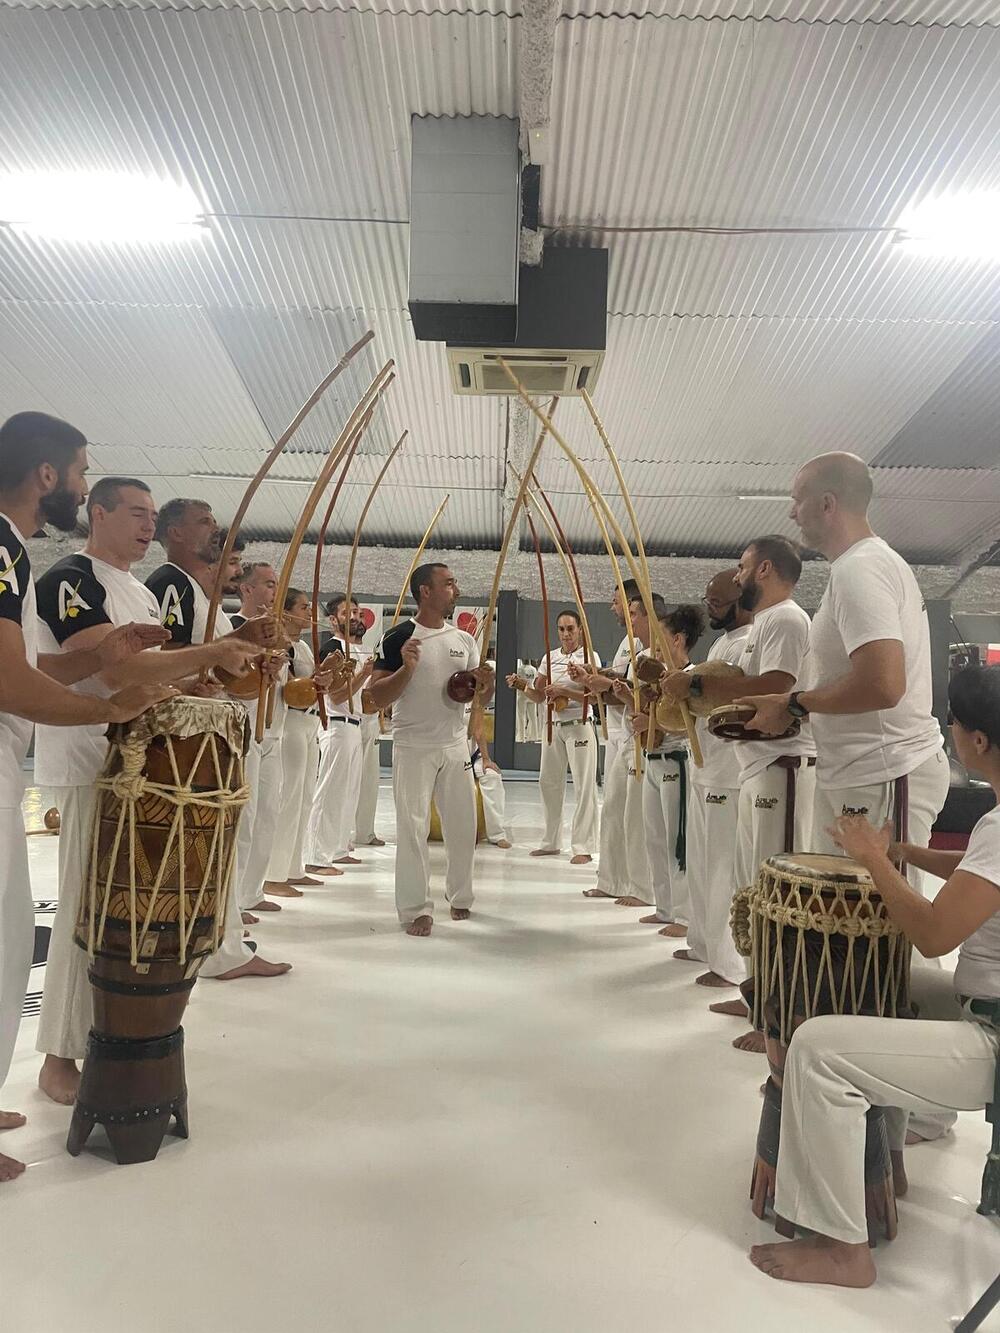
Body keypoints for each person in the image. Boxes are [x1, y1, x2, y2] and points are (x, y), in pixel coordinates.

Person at [749, 665, 1000, 1290]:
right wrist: (908, 854)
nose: (948, 729)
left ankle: (843, 1249)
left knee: (815, 1048)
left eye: (955, 724)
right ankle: (887, 1168)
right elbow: (978, 870)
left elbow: (936, 934)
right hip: (987, 1009)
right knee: (887, 989)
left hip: (992, 1040)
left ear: (976, 742)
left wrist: (869, 860)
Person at [743, 453, 952, 1138]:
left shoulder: (863, 568)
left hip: (885, 770)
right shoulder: (862, 568)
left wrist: (797, 701)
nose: (792, 512)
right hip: (868, 771)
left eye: (798, 498)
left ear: (829, 503)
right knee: (877, 927)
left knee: (896, 926)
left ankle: (923, 1101)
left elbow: (885, 683)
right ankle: (896, 1084)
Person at [33, 479, 258, 1106]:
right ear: (96, 513)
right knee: (85, 906)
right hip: (90, 758)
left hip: (137, 761)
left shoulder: (134, 588)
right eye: (135, 514)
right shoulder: (71, 577)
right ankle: (57, 1058)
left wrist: (196, 684)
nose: (145, 526)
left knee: (111, 913)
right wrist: (212, 651)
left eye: (151, 516)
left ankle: (99, 1040)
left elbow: (155, 672)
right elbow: (114, 669)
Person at [0, 413, 173, 1179]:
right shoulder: (19, 552)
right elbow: (16, 676)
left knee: (18, 933)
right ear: (51, 478)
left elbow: (46, 664)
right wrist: (107, 706)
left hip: (41, 747)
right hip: (71, 757)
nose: (76, 480)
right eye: (78, 471)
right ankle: (57, 1057)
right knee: (36, 926)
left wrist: (117, 659)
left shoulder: (115, 582)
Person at [664, 535, 815, 1052]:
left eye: (743, 566)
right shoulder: (769, 624)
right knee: (755, 890)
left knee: (777, 892)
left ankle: (782, 1016)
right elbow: (746, 683)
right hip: (757, 766)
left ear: (765, 570)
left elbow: (776, 684)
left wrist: (697, 687)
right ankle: (758, 997)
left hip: (783, 763)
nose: (738, 573)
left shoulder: (788, 619)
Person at [145, 498, 290, 982]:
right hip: (184, 734)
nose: (214, 529)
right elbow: (163, 654)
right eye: (203, 522)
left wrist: (252, 664)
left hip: (211, 730)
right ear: (175, 533)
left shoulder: (201, 597)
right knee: (211, 841)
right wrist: (235, 646)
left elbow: (219, 670)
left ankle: (219, 939)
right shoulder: (170, 583)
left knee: (220, 841)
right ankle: (217, 947)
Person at [367, 562, 493, 937]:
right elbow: (375, 697)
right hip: (412, 745)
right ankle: (415, 908)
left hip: (454, 745)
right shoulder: (398, 638)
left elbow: (478, 695)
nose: (456, 589)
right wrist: (406, 668)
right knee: (413, 827)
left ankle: (461, 895)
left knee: (463, 826)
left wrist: (482, 683)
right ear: (425, 591)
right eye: (448, 584)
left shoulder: (464, 640)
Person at [674, 571, 753, 990]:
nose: (710, 609)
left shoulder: (746, 643)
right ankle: (703, 942)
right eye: (708, 600)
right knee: (703, 862)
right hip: (705, 768)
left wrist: (691, 685)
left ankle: (728, 963)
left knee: (722, 866)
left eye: (717, 602)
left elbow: (730, 693)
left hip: (728, 770)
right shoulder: (724, 641)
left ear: (740, 601)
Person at [627, 602, 706, 937]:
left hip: (678, 762)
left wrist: (653, 720)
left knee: (679, 839)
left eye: (660, 644)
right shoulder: (660, 679)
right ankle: (664, 907)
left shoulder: (693, 677)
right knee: (655, 837)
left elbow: (692, 724)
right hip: (652, 761)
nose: (654, 651)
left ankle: (684, 915)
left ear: (678, 640)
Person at [570, 580, 640, 900]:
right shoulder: (628, 640)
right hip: (616, 733)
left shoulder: (644, 641)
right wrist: (596, 674)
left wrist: (601, 682)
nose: (613, 608)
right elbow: (621, 675)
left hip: (631, 734)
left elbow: (632, 686)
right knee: (613, 809)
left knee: (628, 813)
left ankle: (632, 884)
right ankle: (611, 881)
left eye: (617, 602)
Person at [516, 610, 600, 866]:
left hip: (580, 724)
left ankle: (583, 845)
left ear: (580, 630)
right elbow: (540, 695)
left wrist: (564, 689)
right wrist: (522, 686)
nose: (566, 634)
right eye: (561, 629)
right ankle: (551, 841)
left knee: (584, 785)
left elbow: (595, 696)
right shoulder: (549, 658)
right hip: (553, 725)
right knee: (548, 782)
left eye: (570, 629)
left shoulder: (589, 657)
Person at [228, 562, 289, 916]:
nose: (273, 591)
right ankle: (232, 901)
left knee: (267, 815)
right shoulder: (235, 629)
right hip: (244, 731)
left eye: (276, 584)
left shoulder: (275, 636)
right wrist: (259, 671)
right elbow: (233, 680)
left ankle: (251, 890)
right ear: (246, 590)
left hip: (271, 734)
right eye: (267, 584)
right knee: (245, 819)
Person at [306, 595, 374, 875]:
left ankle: (338, 847)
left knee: (348, 791)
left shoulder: (357, 649)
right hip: (336, 722)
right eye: (348, 613)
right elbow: (334, 693)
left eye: (357, 612)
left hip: (356, 723)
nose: (355, 617)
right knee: (331, 790)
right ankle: (316, 855)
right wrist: (364, 673)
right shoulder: (333, 648)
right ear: (333, 620)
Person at [264, 589, 325, 892]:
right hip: (290, 723)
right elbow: (289, 690)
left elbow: (309, 686)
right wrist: (312, 684)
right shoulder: (281, 646)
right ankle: (274, 874)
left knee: (304, 797)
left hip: (310, 723)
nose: (309, 613)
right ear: (286, 612)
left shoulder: (302, 647)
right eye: (303, 607)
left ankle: (293, 866)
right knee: (288, 797)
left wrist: (323, 679)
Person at [349, 609, 385, 849]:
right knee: (351, 779)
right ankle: (346, 832)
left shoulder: (370, 650)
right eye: (352, 615)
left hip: (370, 719)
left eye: (360, 616)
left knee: (370, 778)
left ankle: (365, 831)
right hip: (351, 719)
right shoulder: (339, 647)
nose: (358, 621)